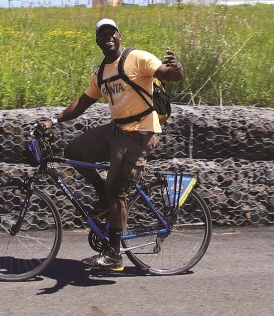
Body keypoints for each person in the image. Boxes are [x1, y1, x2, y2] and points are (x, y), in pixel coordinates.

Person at [42, 17, 184, 273]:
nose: (108, 37)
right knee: (74, 151)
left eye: (112, 32)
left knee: (116, 189)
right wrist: (54, 120)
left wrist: (177, 69)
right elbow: (82, 103)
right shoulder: (102, 73)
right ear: (97, 40)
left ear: (119, 35)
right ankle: (104, 200)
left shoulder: (137, 58)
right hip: (118, 129)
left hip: (141, 131)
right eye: (102, 34)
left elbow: (168, 74)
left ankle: (114, 254)